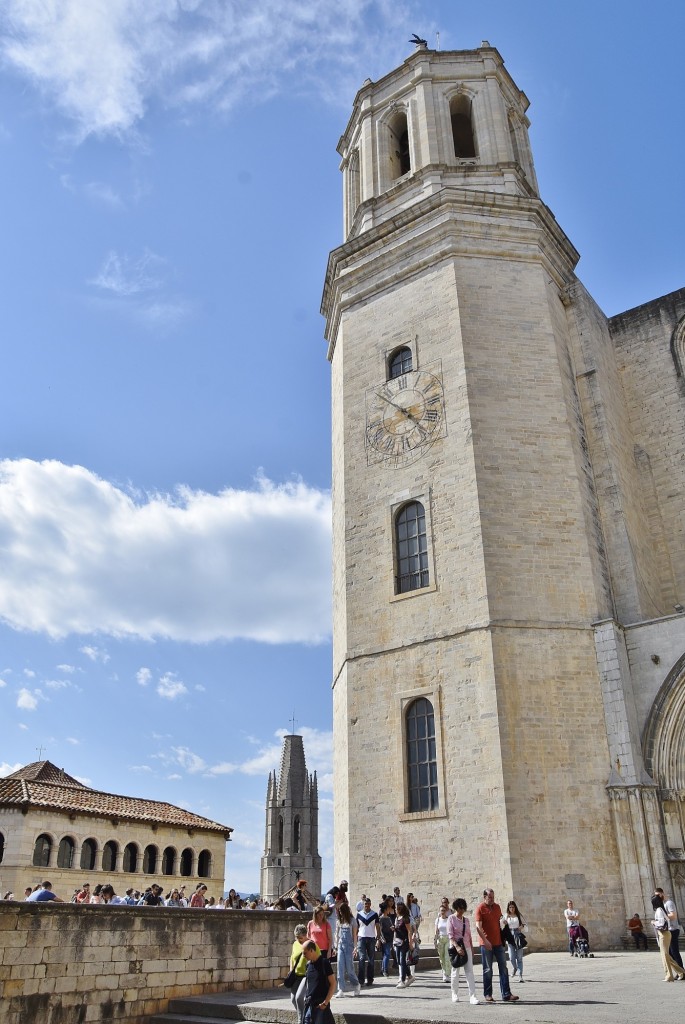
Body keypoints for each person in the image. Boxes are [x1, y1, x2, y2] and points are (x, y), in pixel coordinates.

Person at [474, 888, 519, 1003]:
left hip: (498, 943)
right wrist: (485, 940)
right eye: (490, 897)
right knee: (488, 970)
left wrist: (504, 922)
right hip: (486, 944)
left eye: (493, 897)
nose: (492, 899)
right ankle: (488, 994)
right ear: (484, 897)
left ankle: (506, 994)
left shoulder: (497, 907)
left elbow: (500, 919)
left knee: (503, 968)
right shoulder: (480, 908)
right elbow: (478, 927)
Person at [448, 898, 479, 1005]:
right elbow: (450, 936)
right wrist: (457, 947)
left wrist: (472, 948)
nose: (461, 911)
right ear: (456, 908)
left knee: (469, 971)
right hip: (456, 948)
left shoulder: (466, 920)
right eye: (460, 908)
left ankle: (473, 996)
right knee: (455, 971)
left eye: (463, 908)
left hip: (467, 947)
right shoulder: (451, 919)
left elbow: (469, 935)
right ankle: (454, 993)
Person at [651, 893, 685, 981]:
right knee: (667, 956)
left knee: (665, 956)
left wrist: (654, 922)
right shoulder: (661, 909)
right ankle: (681, 972)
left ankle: (669, 976)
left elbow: (662, 923)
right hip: (666, 933)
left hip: (664, 933)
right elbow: (667, 919)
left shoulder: (659, 910)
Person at [301, 940, 336, 1024]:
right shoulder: (308, 966)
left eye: (305, 953)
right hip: (310, 1005)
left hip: (320, 1005)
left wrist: (325, 1003)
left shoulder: (324, 963)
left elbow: (333, 983)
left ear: (311, 950)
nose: (303, 956)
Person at [290, 923, 318, 1023]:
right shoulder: (295, 944)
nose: (298, 940)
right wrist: (291, 970)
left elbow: (317, 958)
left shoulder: (312, 944)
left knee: (299, 998)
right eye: (296, 937)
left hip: (306, 975)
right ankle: (304, 1016)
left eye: (300, 938)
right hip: (296, 975)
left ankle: (301, 1021)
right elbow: (292, 957)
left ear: (306, 935)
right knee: (293, 999)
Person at [333, 901, 360, 996]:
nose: (340, 913)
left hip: (349, 946)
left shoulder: (352, 921)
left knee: (349, 968)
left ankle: (356, 984)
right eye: (339, 911)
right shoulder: (339, 921)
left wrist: (355, 947)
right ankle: (341, 988)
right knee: (340, 967)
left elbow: (355, 935)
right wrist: (335, 947)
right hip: (341, 946)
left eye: (341, 911)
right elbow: (336, 934)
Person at [655, 887, 683, 971]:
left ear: (662, 893)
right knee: (670, 953)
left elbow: (673, 915)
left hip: (673, 929)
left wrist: (662, 918)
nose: (657, 898)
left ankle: (682, 971)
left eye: (658, 895)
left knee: (674, 952)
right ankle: (679, 971)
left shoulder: (669, 903)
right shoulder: (662, 904)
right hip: (668, 930)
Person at [356, 897, 380, 987]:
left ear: (370, 904)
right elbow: (357, 927)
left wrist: (378, 938)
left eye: (368, 904)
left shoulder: (374, 914)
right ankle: (361, 980)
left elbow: (377, 926)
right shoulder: (359, 914)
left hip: (371, 938)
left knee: (371, 960)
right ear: (363, 905)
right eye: (365, 904)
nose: (367, 905)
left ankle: (370, 979)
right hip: (361, 938)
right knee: (361, 958)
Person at [393, 901, 415, 989]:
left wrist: (410, 943)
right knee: (399, 960)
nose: (397, 910)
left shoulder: (406, 918)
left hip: (404, 942)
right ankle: (410, 976)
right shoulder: (397, 918)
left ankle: (402, 980)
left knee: (402, 960)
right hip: (397, 941)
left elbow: (409, 931)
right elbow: (397, 930)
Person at [504, 900, 526, 981]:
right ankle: (515, 968)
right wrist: (504, 922)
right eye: (510, 907)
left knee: (519, 957)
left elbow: (524, 923)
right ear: (508, 908)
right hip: (510, 936)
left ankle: (520, 975)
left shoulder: (518, 915)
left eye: (513, 907)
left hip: (518, 935)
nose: (512, 909)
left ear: (515, 907)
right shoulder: (506, 915)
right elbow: (501, 923)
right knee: (511, 957)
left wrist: (521, 927)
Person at [434, 902, 452, 983]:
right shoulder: (437, 920)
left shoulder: (449, 919)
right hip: (440, 939)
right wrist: (435, 940)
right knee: (441, 957)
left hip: (447, 939)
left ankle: (447, 974)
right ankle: (444, 973)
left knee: (447, 957)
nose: (442, 912)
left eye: (444, 910)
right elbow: (436, 931)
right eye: (441, 910)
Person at [379, 901, 395, 977]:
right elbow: (380, 929)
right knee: (387, 954)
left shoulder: (388, 918)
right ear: (385, 910)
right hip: (384, 938)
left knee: (386, 954)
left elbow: (391, 926)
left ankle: (383, 969)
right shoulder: (381, 919)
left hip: (390, 937)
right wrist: (381, 938)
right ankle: (385, 970)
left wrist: (392, 928)